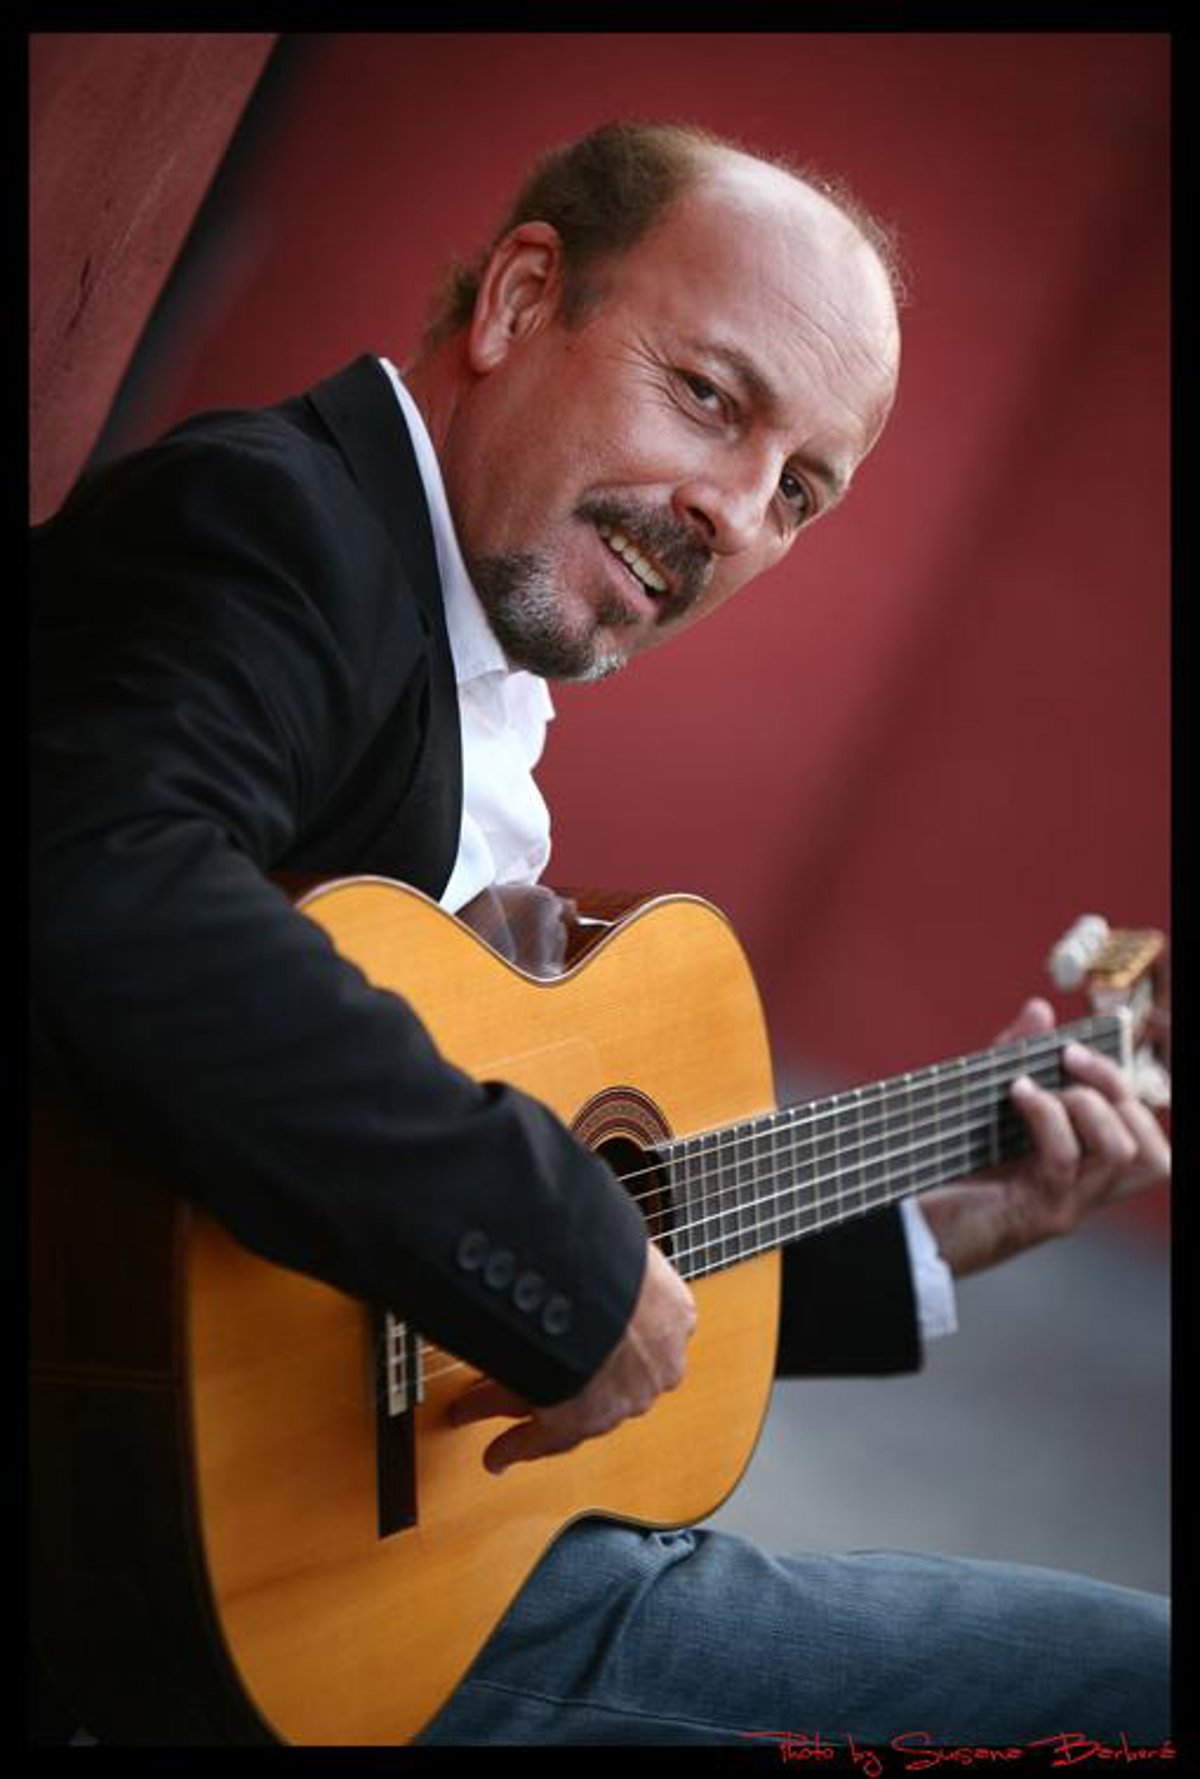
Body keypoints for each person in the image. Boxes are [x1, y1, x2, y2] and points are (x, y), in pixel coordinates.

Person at [30, 120, 1170, 1747]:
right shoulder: (279, 527)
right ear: (518, 301)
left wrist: (934, 1221)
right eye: (709, 396)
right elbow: (106, 874)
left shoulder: (463, 675)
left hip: (327, 1558)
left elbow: (478, 1273)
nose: (735, 510)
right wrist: (550, 1243)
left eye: (800, 491)